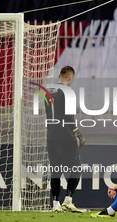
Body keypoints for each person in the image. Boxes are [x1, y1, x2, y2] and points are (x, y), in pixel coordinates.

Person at [45, 66, 85, 213]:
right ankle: (68, 200)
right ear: (70, 77)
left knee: (56, 169)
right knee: (77, 168)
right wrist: (78, 134)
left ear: (60, 75)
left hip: (51, 136)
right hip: (65, 136)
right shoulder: (67, 92)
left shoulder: (48, 91)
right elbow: (68, 117)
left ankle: (55, 204)